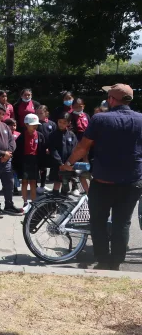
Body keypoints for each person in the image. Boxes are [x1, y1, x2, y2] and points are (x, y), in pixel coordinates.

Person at [60, 83, 142, 271]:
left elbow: (83, 147)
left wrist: (69, 163)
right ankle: (116, 263)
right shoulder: (140, 120)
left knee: (98, 221)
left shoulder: (100, 119)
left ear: (112, 99)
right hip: (131, 182)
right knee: (123, 222)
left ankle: (103, 260)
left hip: (104, 180)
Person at [13, 114, 45, 212]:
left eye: (36, 124)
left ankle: (34, 202)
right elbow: (17, 152)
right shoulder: (21, 137)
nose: (35, 126)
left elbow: (42, 151)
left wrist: (42, 165)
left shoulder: (40, 135)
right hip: (24, 161)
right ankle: (25, 201)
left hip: (35, 160)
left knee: (33, 182)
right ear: (26, 124)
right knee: (24, 181)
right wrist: (16, 165)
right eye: (32, 124)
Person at [48, 112, 78, 196]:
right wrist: (60, 163)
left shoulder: (71, 135)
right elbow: (53, 150)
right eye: (60, 122)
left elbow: (74, 149)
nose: (61, 124)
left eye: (64, 122)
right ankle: (54, 201)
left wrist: (70, 163)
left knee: (66, 182)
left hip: (69, 164)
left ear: (69, 123)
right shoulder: (53, 135)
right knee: (57, 182)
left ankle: (66, 199)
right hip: (58, 164)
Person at [35, 105, 57, 194]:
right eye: (37, 113)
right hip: (37, 149)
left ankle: (43, 185)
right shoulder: (35, 124)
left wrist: (50, 148)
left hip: (48, 150)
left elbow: (55, 137)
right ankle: (35, 186)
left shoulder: (52, 124)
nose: (39, 115)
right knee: (36, 168)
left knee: (44, 168)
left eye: (41, 113)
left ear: (46, 113)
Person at [4, 118, 21, 195]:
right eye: (11, 125)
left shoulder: (18, 134)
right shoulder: (4, 133)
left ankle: (15, 187)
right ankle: (6, 186)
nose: (13, 127)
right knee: (7, 173)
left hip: (16, 157)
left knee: (15, 173)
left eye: (14, 125)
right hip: (7, 156)